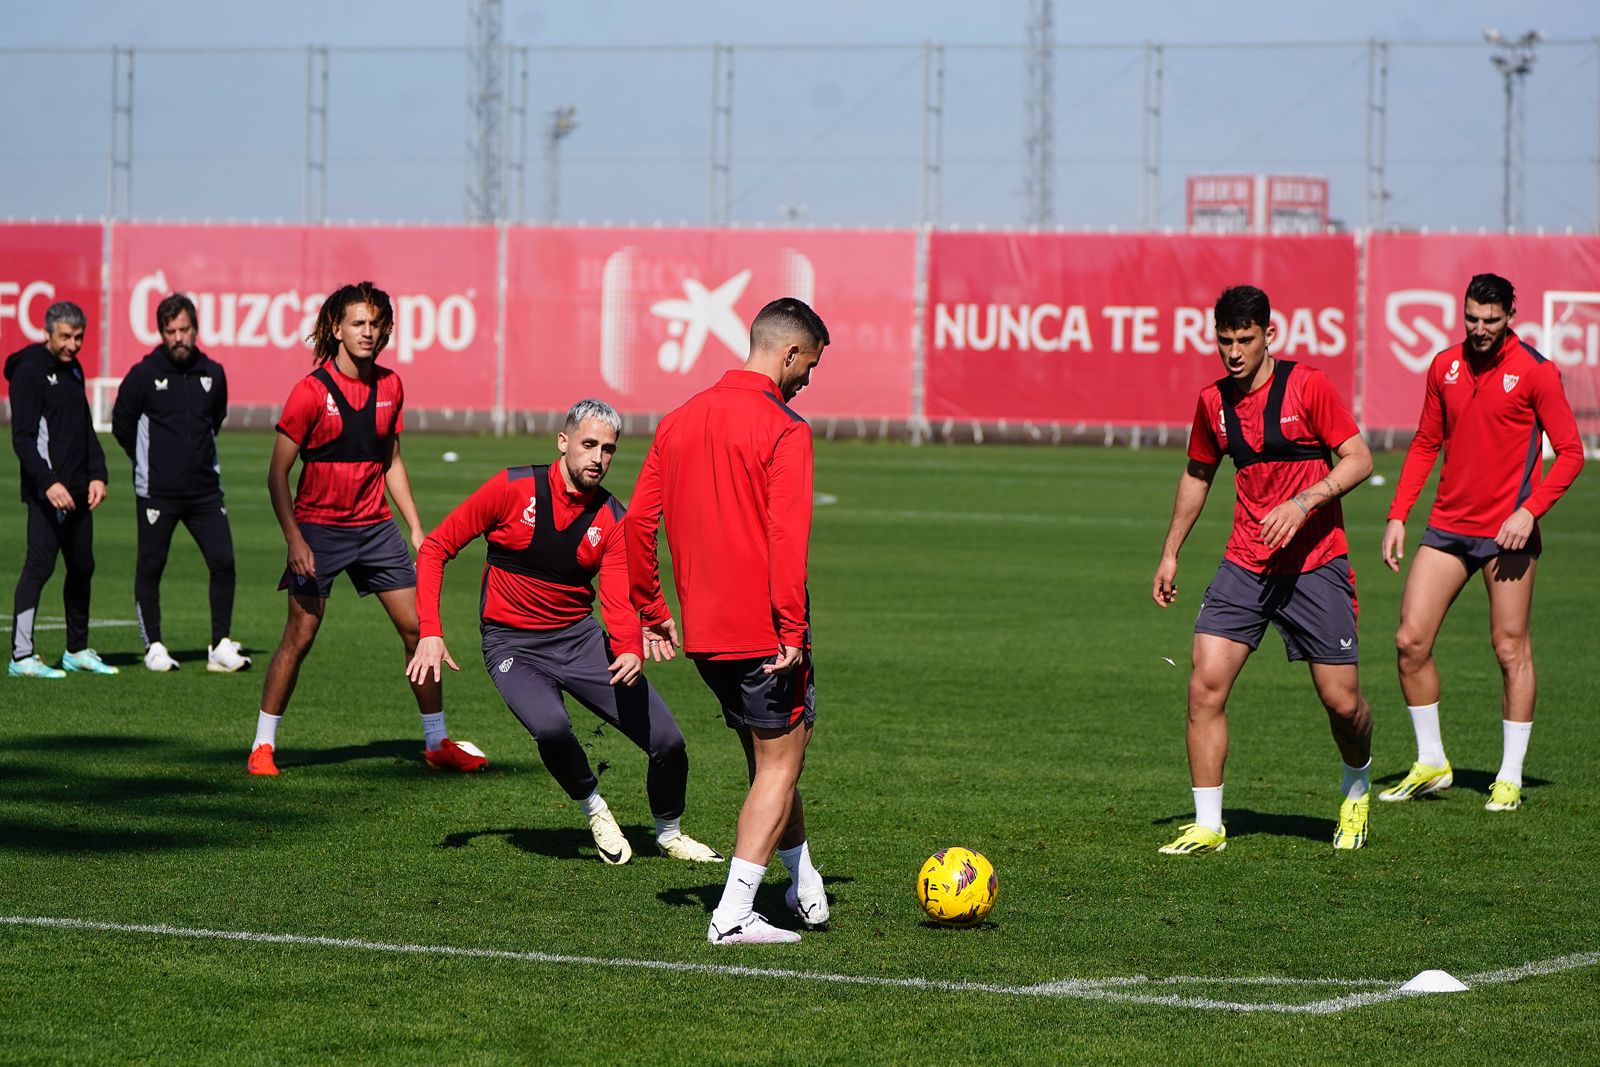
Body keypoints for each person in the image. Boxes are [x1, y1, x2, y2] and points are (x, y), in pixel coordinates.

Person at [406, 399, 723, 866]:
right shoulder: (512, 488)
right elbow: (435, 549)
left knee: (668, 742)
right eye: (589, 444)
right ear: (563, 443)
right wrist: (430, 631)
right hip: (512, 645)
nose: (598, 458)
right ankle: (595, 810)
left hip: (578, 641)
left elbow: (617, 600)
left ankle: (669, 833)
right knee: (552, 728)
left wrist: (630, 648)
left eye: (609, 449)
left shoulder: (613, 518)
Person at [626, 296, 830, 945]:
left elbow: (636, 523)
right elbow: (785, 538)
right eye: (810, 365)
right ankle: (735, 912)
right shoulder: (785, 427)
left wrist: (653, 609)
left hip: (706, 634)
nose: (807, 379)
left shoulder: (678, 419)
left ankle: (801, 883)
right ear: (789, 351)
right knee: (780, 763)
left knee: (771, 757)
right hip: (766, 632)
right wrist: (793, 632)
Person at [1152, 285, 1374, 854]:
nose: (1233, 351)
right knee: (1204, 685)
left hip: (1316, 564)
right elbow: (1199, 474)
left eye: (1244, 339)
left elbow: (1360, 459)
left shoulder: (1308, 386)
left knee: (1343, 704)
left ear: (1268, 335)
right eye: (1224, 340)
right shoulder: (1212, 403)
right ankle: (1208, 823)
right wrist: (1171, 549)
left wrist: (1304, 503)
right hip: (1246, 564)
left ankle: (1356, 785)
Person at [247, 280, 484, 776]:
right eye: (358, 323)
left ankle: (437, 741)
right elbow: (276, 474)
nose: (368, 332)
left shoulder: (391, 386)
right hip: (318, 530)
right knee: (301, 635)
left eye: (376, 324)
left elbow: (390, 459)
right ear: (336, 328)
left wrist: (416, 528)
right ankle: (263, 745)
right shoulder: (310, 393)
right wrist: (294, 539)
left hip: (375, 528)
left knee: (420, 630)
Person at [1380, 273, 1585, 813]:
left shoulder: (1538, 372)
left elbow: (1571, 453)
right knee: (1409, 642)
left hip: (1507, 536)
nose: (1479, 329)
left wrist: (1529, 510)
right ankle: (1432, 763)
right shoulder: (1443, 366)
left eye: (1491, 320)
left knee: (1509, 648)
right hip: (1447, 529)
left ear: (1510, 314)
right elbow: (1426, 443)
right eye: (1471, 318)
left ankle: (1510, 776)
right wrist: (1398, 513)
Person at [111, 293, 249, 673]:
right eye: (170, 331)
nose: (178, 337)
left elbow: (215, 419)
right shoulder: (143, 374)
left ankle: (220, 645)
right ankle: (153, 645)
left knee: (223, 561)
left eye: (184, 329)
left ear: (195, 329)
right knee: (151, 566)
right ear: (161, 333)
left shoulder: (213, 373)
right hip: (157, 492)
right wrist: (147, 463)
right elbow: (122, 423)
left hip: (205, 491)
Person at [7, 301, 117, 679]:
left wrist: (98, 474)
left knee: (82, 566)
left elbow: (84, 428)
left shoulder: (74, 369)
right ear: (47, 333)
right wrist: (48, 482)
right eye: (66, 337)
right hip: (46, 491)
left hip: (78, 490)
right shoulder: (28, 372)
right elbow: (22, 439)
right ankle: (21, 657)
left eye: (79, 337)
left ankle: (76, 649)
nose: (73, 344)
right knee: (39, 567)